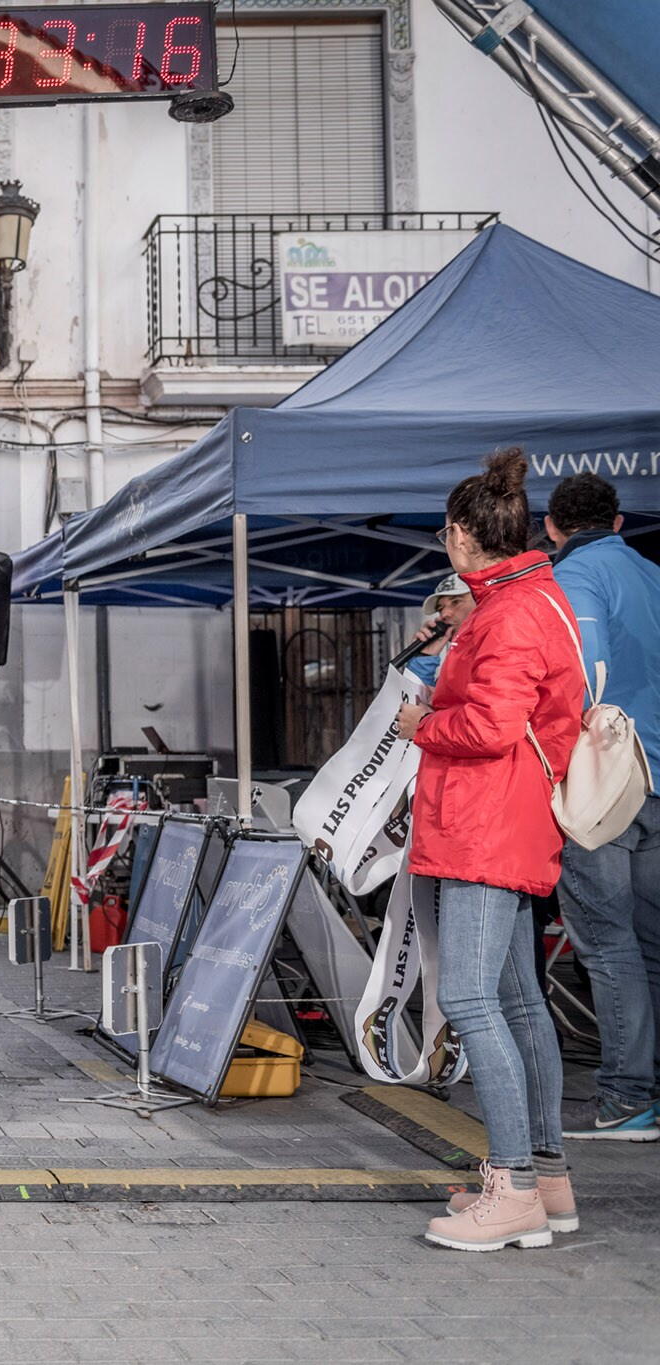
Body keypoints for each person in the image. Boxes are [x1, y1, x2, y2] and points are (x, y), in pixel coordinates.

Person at [396, 448, 584, 1252]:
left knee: (473, 1000)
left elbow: (489, 727)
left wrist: (420, 725)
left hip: (484, 828)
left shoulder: (509, 615)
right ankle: (544, 1179)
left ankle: (509, 1186)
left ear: (462, 536)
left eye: (447, 531)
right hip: (509, 826)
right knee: (516, 1003)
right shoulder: (529, 600)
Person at [544, 472, 660, 1142]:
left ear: (553, 528)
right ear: (617, 521)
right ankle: (645, 1090)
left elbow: (589, 671)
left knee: (607, 939)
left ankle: (625, 1098)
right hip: (659, 776)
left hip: (611, 780)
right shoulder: (648, 571)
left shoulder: (576, 574)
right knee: (649, 940)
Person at [404, 573, 476, 689]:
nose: (444, 614)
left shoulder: (500, 646)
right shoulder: (458, 660)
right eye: (440, 608)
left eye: (456, 602)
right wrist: (424, 658)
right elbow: (413, 700)